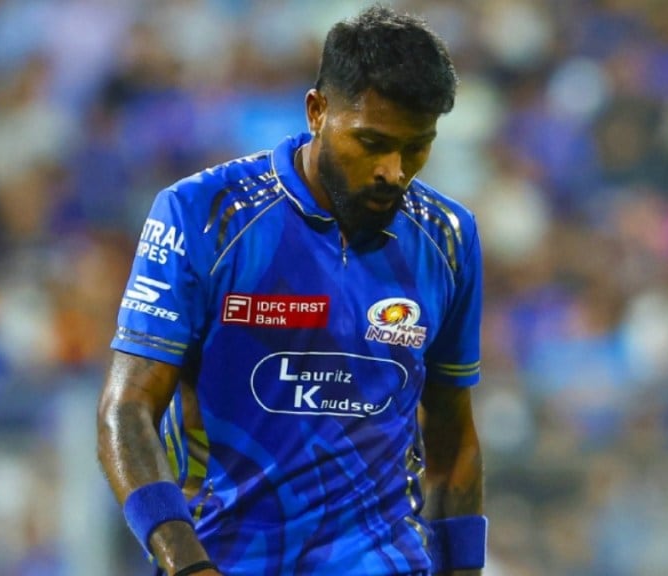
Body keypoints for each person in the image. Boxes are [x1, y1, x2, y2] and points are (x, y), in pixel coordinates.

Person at [96, 6, 485, 576]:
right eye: (372, 142)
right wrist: (186, 564)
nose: (393, 171)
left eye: (416, 146)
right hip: (226, 560)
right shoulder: (203, 215)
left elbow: (452, 434)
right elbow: (126, 411)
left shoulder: (448, 237)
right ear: (317, 111)